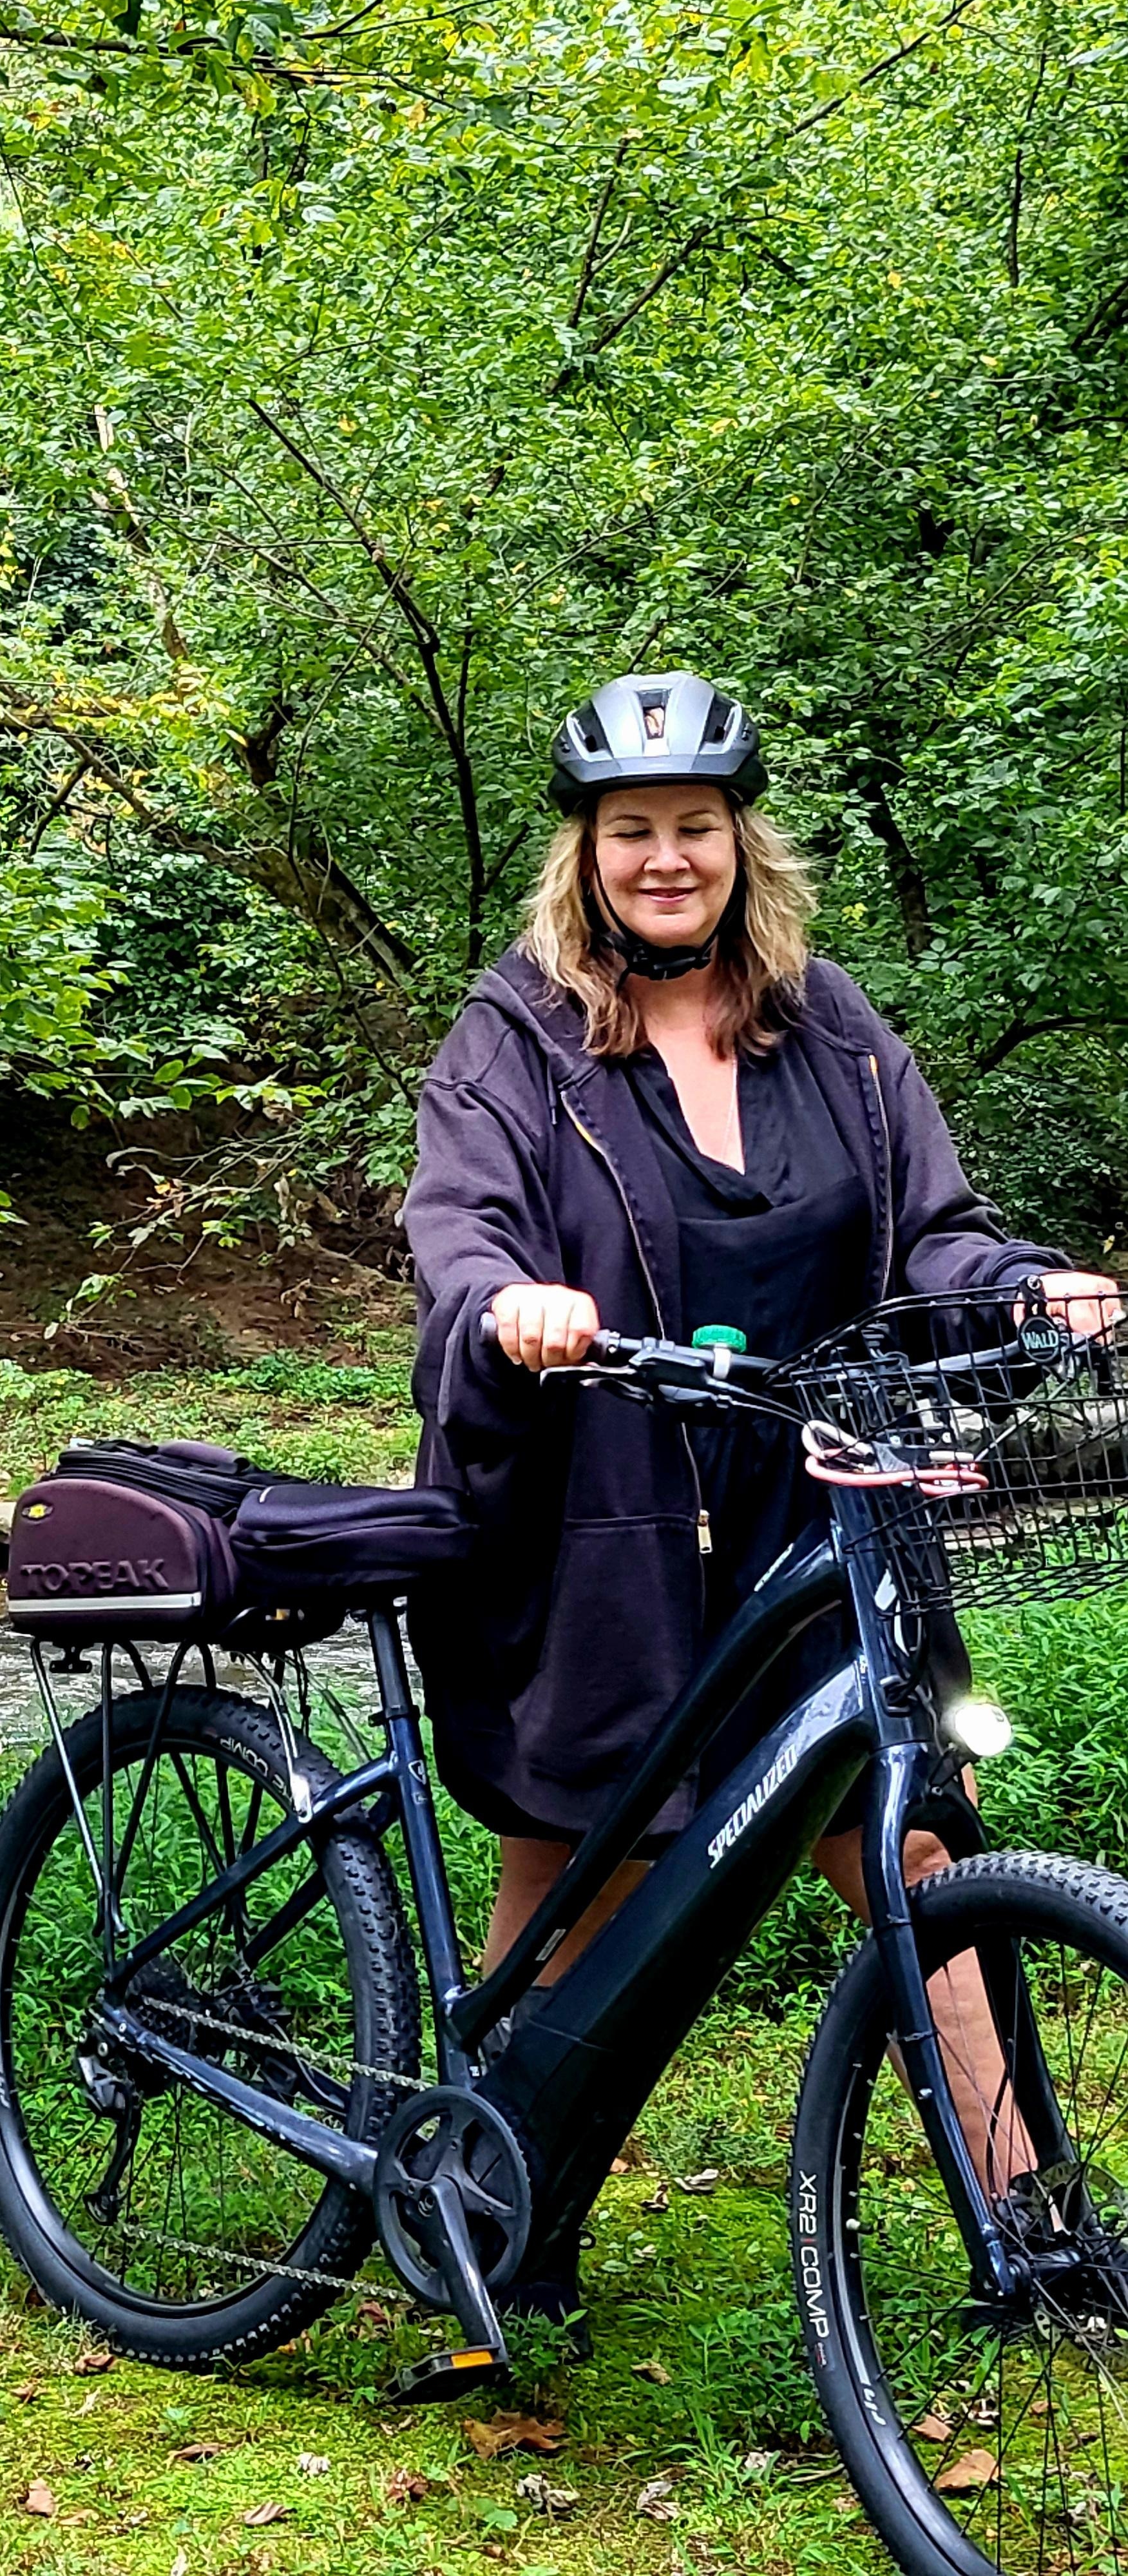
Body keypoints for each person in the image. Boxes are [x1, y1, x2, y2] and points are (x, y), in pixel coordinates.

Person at [403, 669, 1116, 2201]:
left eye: (697, 827)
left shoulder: (832, 1025)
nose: (667, 856)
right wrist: (512, 1299)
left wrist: (1023, 1288)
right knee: (582, 1865)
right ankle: (492, 2215)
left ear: (743, 841)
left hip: (824, 1507)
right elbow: (458, 1225)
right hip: (604, 1511)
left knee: (920, 1838)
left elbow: (935, 1231)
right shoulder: (515, 1033)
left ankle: (1032, 2221)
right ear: (586, 853)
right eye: (633, 829)